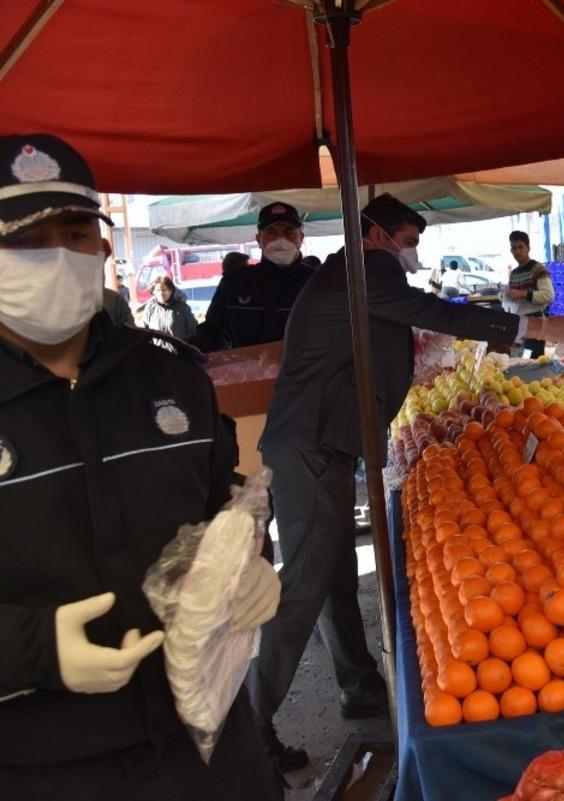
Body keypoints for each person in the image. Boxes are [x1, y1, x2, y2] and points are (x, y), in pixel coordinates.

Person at [252, 194, 564, 771]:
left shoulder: (350, 276)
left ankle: (356, 685)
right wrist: (537, 326)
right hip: (309, 445)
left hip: (318, 442)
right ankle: (247, 731)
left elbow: (410, 319)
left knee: (327, 571)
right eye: (408, 241)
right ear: (378, 235)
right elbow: (440, 313)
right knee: (305, 581)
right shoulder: (365, 267)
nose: (412, 252)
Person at [0, 134, 282, 799]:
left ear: (101, 248)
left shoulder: (171, 374)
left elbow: (225, 506)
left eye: (73, 233)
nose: (56, 256)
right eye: (24, 238)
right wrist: (32, 647)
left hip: (207, 745)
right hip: (38, 765)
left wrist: (251, 559)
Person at [190, 203, 315, 352]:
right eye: (271, 232)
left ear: (301, 237)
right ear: (258, 239)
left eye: (289, 232)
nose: (280, 239)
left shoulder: (318, 283)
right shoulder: (234, 284)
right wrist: (189, 350)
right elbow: (213, 332)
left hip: (308, 374)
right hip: (251, 374)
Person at [502, 230, 554, 358]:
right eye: (514, 248)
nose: (517, 251)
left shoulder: (538, 269)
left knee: (533, 364)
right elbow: (509, 296)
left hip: (534, 325)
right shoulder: (514, 274)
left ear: (528, 248)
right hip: (518, 324)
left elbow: (549, 295)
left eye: (520, 247)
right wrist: (503, 295)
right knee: (522, 363)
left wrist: (524, 294)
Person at [141, 274, 198, 341]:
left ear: (170, 291)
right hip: (157, 350)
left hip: (178, 350)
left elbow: (193, 330)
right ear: (153, 292)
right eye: (158, 290)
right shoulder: (150, 308)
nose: (161, 293)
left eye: (164, 290)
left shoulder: (182, 308)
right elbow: (145, 331)